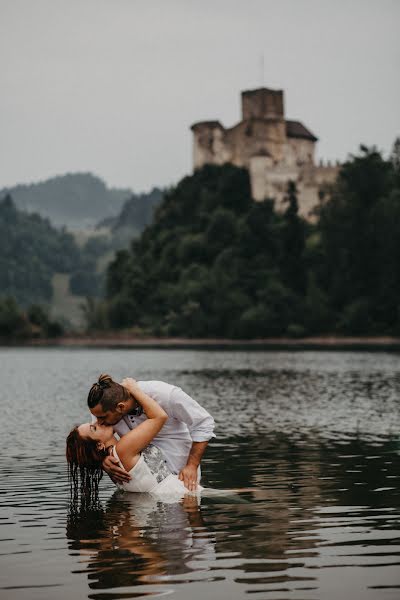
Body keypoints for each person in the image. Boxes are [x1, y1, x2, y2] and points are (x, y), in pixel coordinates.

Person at [66, 376, 206, 496]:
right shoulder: (119, 447)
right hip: (176, 492)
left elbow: (204, 424)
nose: (98, 422)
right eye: (95, 424)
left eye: (101, 418)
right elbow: (159, 416)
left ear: (120, 407)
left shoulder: (165, 394)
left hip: (185, 476)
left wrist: (192, 466)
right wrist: (102, 460)